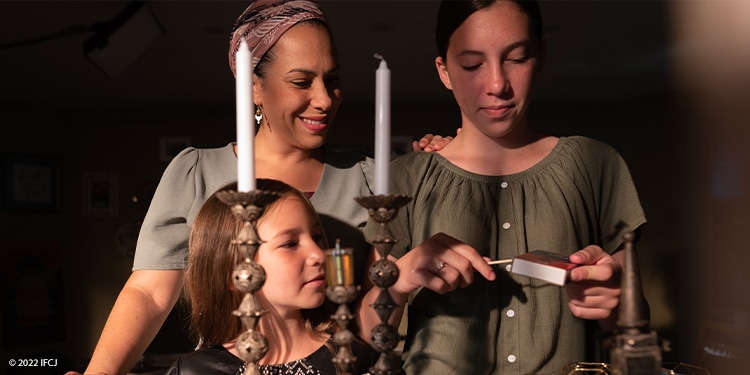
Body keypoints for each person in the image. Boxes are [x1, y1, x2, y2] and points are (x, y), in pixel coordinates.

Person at [66, 1, 452, 374]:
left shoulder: (369, 177)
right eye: (301, 81)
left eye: (332, 80)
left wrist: (444, 162)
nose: (323, 100)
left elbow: (375, 311)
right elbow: (150, 294)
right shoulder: (196, 172)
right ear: (253, 86)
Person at [356, 0, 650, 374]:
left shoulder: (597, 165)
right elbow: (367, 333)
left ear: (540, 55)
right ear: (444, 71)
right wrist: (399, 282)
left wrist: (615, 303)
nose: (497, 85)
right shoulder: (404, 179)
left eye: (516, 58)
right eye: (472, 65)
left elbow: (635, 327)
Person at [165, 179, 378, 375]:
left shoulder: (350, 356)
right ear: (234, 274)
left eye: (317, 237)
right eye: (290, 244)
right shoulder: (197, 371)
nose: (319, 254)